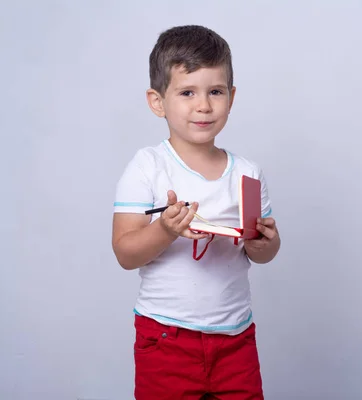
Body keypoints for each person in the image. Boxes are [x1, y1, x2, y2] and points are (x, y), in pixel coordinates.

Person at [111, 25, 280, 399]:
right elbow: (124, 252)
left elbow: (263, 253)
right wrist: (165, 230)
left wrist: (264, 241)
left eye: (215, 92)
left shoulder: (247, 173)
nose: (203, 105)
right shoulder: (147, 166)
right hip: (167, 338)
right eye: (187, 92)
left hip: (235, 337)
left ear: (231, 98)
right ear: (157, 101)